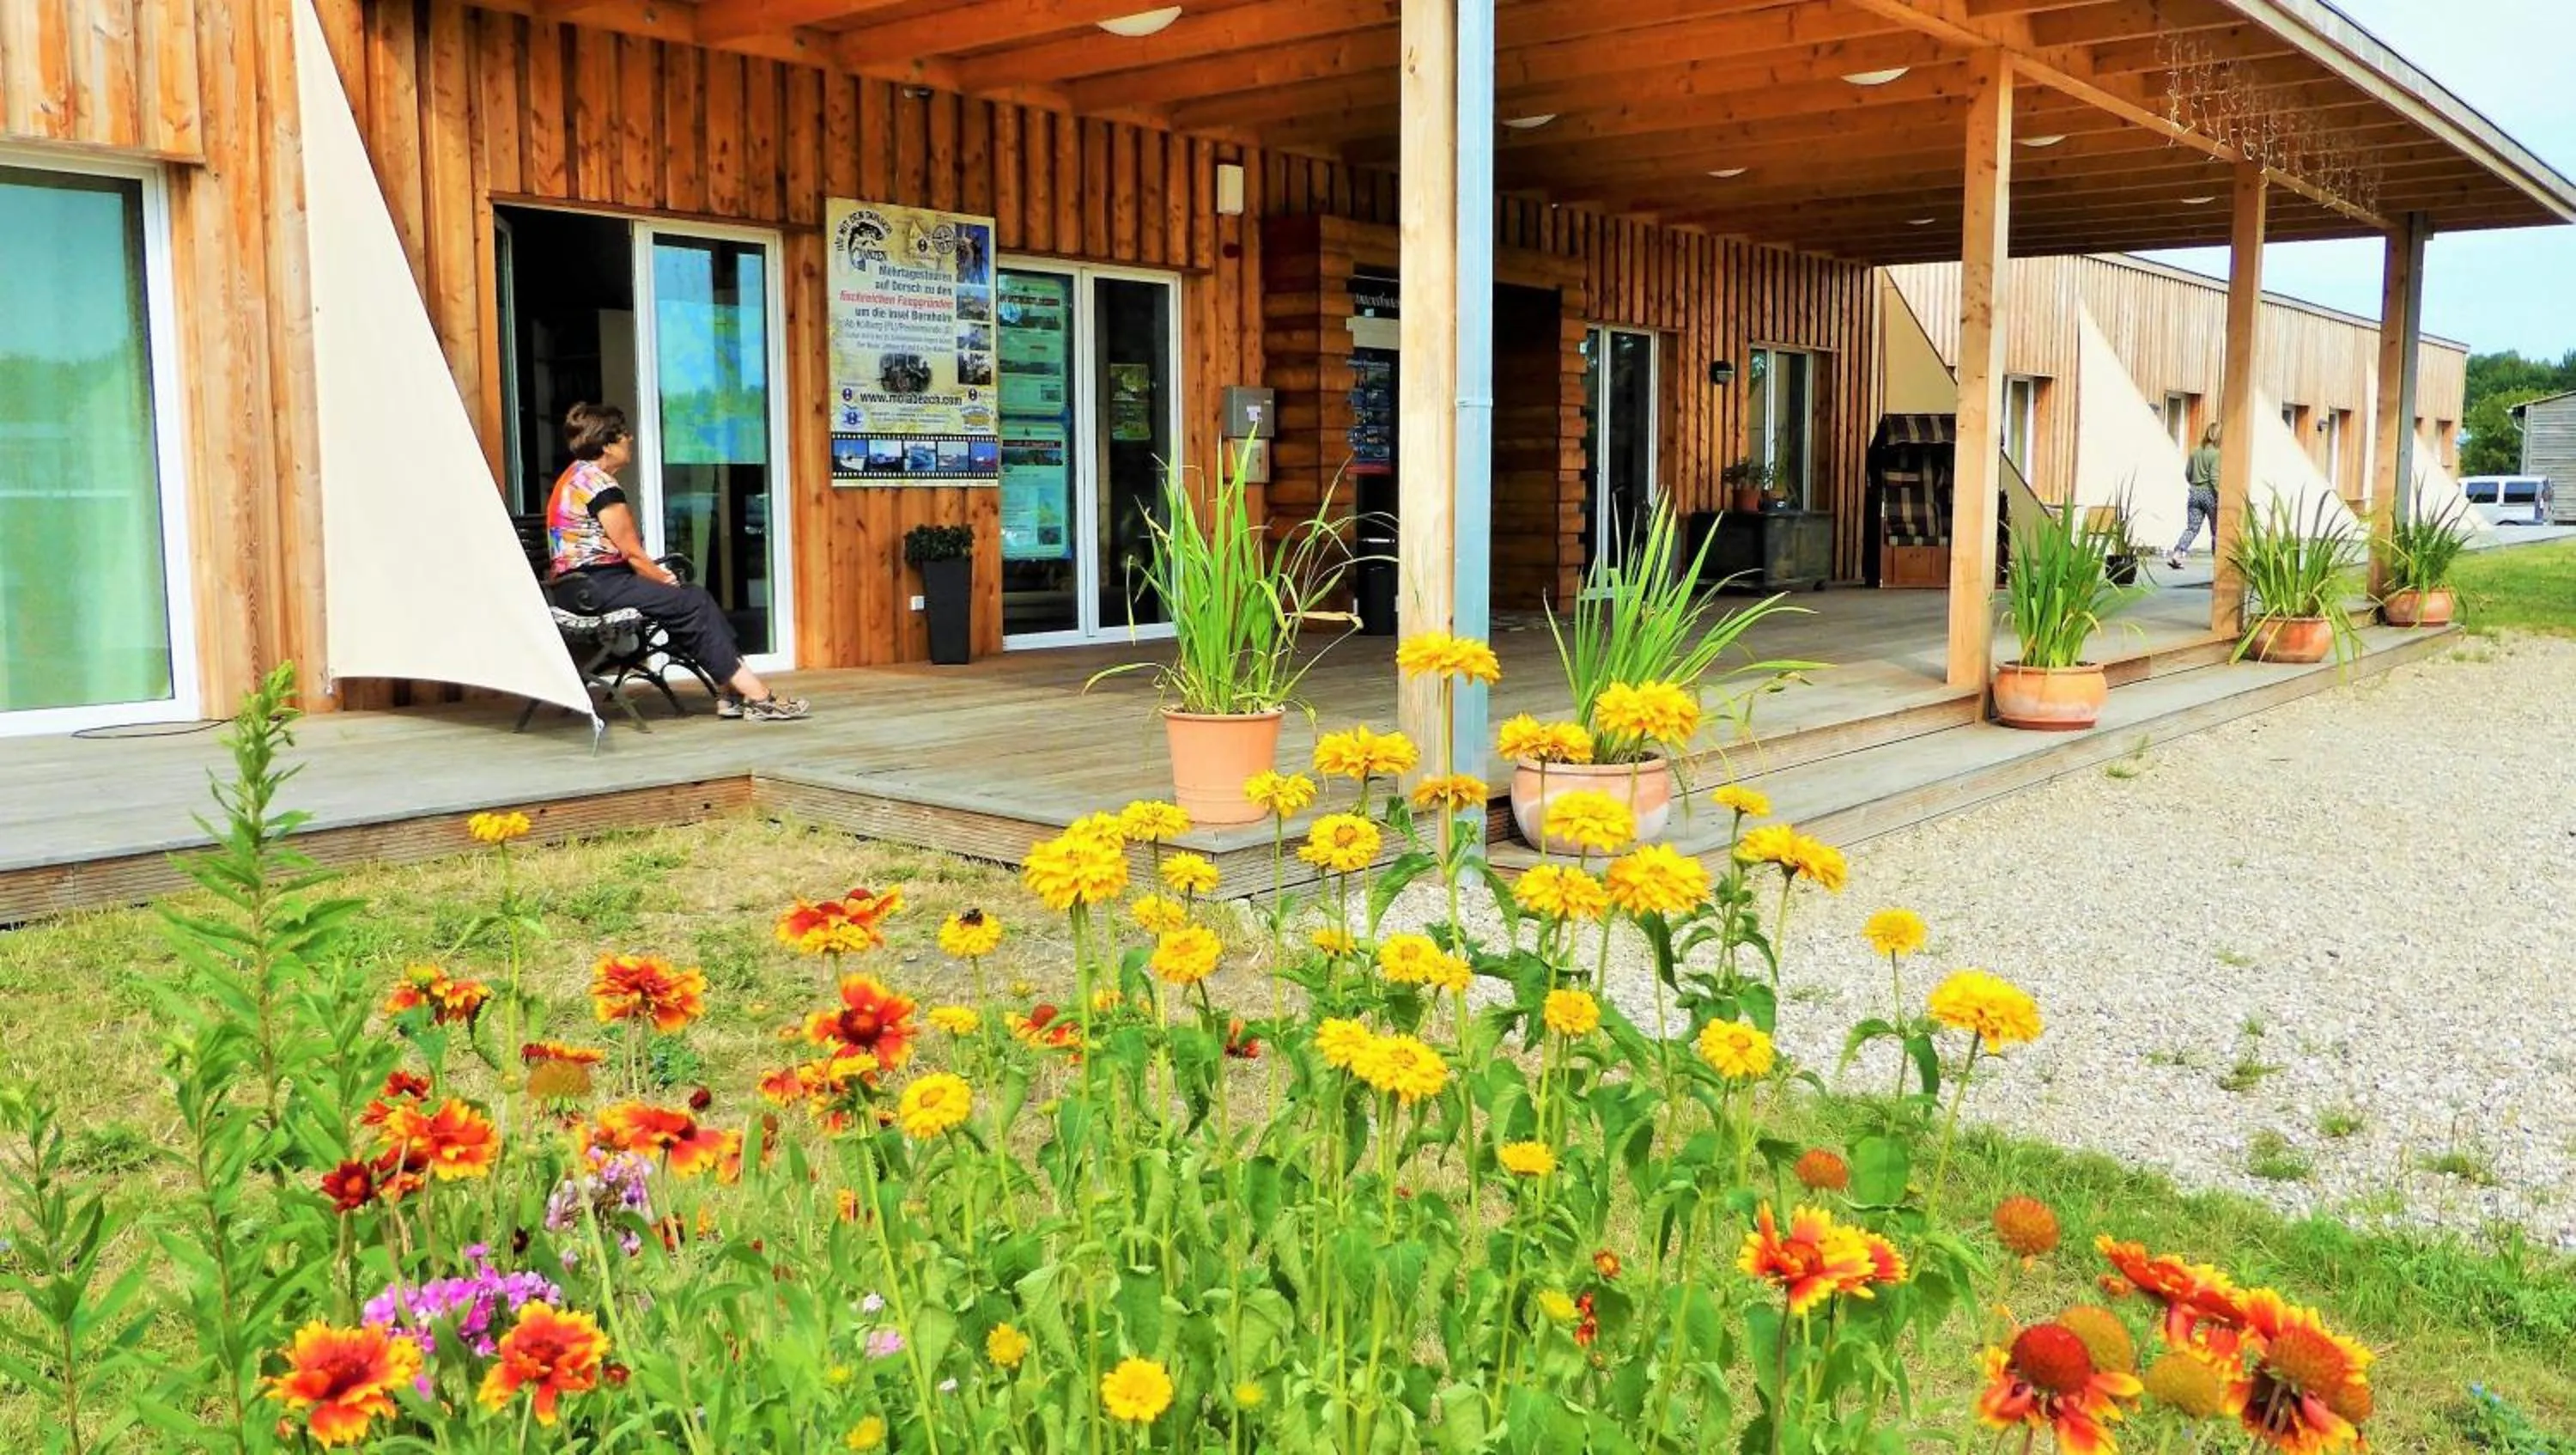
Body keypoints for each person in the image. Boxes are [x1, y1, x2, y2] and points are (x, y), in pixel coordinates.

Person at [546, 403, 809, 721]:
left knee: (692, 600)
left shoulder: (576, 476)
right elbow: (631, 553)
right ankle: (756, 696)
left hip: (579, 586)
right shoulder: (599, 486)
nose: (630, 439)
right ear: (607, 445)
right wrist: (662, 577)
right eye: (624, 434)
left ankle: (731, 692)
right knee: (690, 602)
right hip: (594, 586)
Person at [2168, 423, 2221, 569]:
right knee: (2216, 530)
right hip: (2209, 494)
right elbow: (2214, 478)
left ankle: (2177, 554)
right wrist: (2220, 495)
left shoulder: (2195, 451)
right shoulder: (2217, 454)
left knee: (2192, 528)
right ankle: (2218, 563)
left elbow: (2188, 474)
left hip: (2194, 493)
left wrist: (2195, 484)